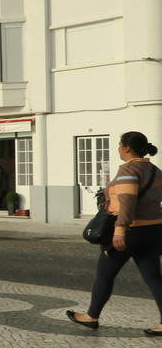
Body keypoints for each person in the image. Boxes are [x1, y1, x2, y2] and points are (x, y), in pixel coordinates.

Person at [67, 131, 162, 337]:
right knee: (154, 277)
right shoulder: (155, 170)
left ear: (127, 148)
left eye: (120, 145)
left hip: (130, 230)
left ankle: (91, 316)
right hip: (153, 229)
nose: (118, 148)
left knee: (105, 274)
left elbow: (127, 202)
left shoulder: (129, 169)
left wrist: (120, 230)